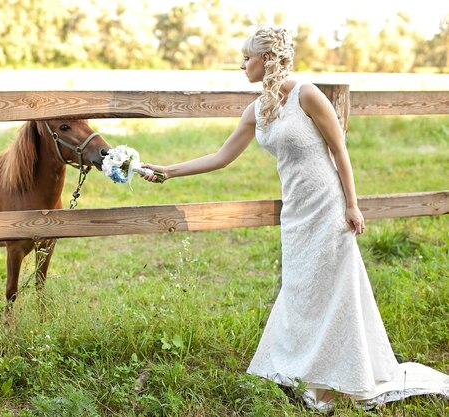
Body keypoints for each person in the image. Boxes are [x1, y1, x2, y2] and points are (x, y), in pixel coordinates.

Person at [142, 26, 449, 411]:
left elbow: (340, 151)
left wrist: (352, 205)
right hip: (296, 210)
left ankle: (340, 374)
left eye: (246, 58)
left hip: (327, 204)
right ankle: (306, 366)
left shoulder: (307, 93)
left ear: (267, 59)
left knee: (335, 287)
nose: (242, 65)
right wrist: (169, 171)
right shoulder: (257, 109)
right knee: (302, 287)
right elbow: (220, 157)